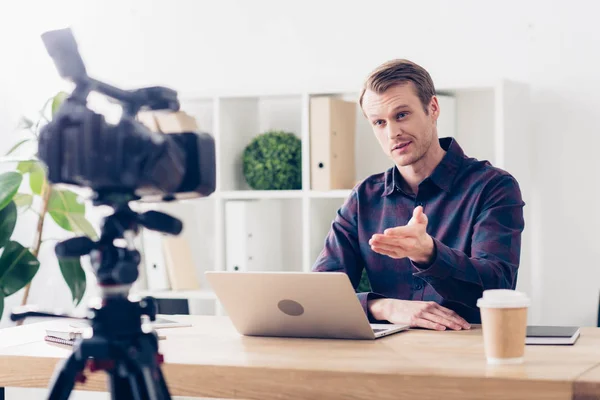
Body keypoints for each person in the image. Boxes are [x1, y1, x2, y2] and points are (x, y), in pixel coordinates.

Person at [312, 59, 525, 331]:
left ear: (433, 108)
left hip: (469, 355)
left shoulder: (493, 187)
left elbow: (499, 288)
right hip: (387, 359)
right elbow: (320, 294)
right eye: (379, 122)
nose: (393, 133)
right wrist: (384, 306)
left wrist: (430, 254)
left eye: (401, 115)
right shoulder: (363, 197)